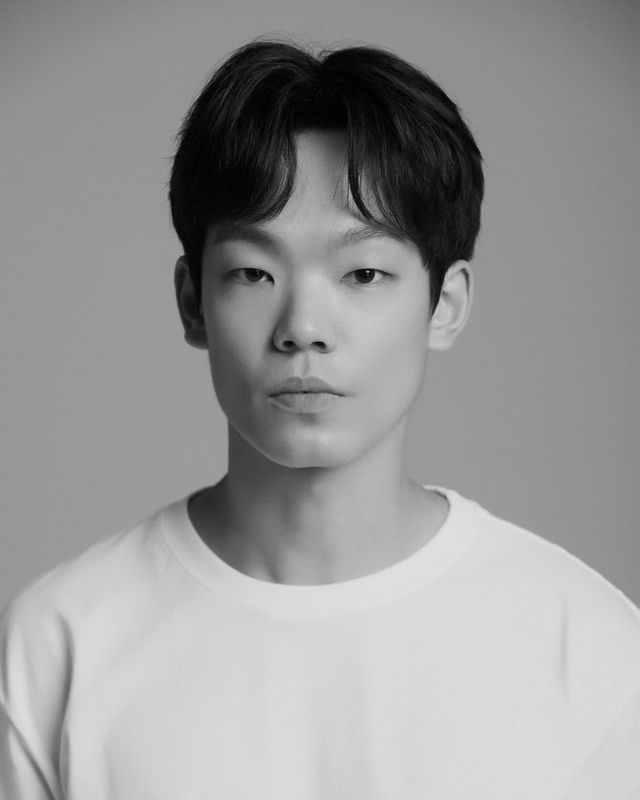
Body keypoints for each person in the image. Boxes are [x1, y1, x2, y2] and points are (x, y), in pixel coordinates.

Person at [1, 37, 639, 800]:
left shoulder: (588, 647)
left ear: (445, 304)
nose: (303, 327)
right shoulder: (59, 644)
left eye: (363, 273)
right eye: (253, 272)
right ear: (192, 302)